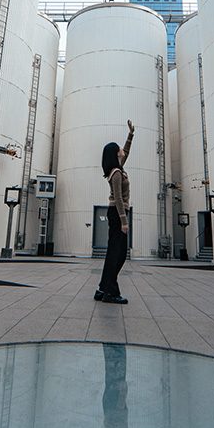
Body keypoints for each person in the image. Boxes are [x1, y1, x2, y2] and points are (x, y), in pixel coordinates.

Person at [96, 120, 134, 304]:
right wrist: (124, 221)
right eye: (119, 148)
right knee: (118, 254)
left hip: (116, 214)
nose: (122, 149)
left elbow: (126, 152)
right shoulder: (117, 173)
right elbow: (118, 198)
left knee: (115, 252)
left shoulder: (118, 168)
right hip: (117, 214)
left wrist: (130, 135)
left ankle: (103, 287)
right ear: (114, 153)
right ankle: (111, 292)